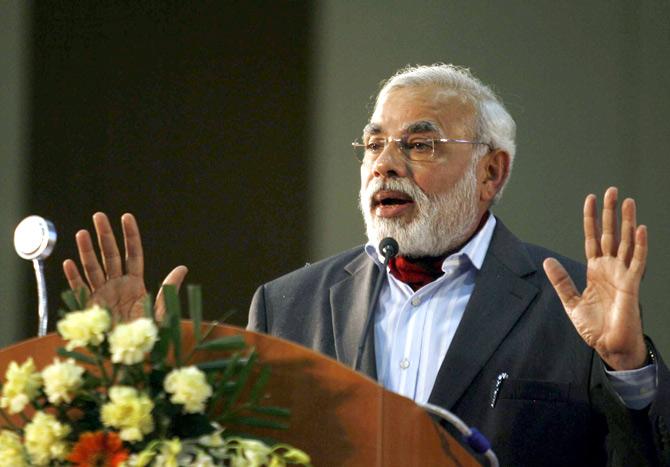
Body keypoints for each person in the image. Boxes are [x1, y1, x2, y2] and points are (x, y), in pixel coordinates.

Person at [64, 64, 669, 466]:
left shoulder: (567, 304)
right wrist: (142, 379)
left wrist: (627, 368)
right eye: (374, 143)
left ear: (491, 172)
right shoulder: (287, 305)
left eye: (420, 143)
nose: (385, 162)